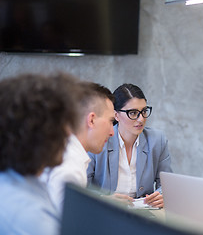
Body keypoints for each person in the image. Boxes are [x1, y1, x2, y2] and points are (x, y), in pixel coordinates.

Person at [0, 73, 79, 235]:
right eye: (64, 125)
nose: (69, 134)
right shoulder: (31, 218)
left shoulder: (14, 179)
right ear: (41, 134)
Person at [87, 83, 172, 208]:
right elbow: (80, 188)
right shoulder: (100, 140)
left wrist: (162, 195)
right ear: (116, 115)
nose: (141, 119)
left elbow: (166, 184)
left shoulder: (157, 140)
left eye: (143, 111)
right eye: (133, 113)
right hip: (105, 211)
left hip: (143, 212)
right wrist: (104, 200)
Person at [41, 81, 115, 213]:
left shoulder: (60, 150)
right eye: (110, 121)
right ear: (91, 120)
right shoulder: (70, 169)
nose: (112, 132)